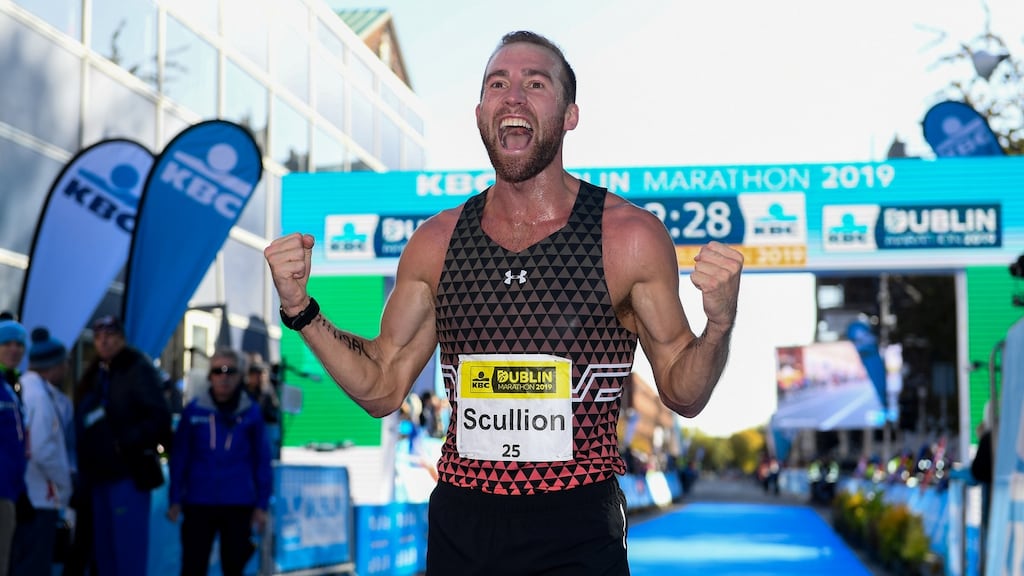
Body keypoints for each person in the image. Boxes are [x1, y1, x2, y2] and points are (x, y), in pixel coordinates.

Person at [264, 30, 743, 575]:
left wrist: (719, 324)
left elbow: (683, 393)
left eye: (535, 84)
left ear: (569, 115)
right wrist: (301, 309)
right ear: (479, 114)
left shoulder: (628, 237)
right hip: (463, 527)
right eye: (498, 84)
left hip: (577, 529)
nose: (513, 96)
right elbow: (382, 385)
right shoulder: (437, 241)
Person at [74, 315, 173, 576]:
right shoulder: (97, 372)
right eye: (98, 337)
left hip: (127, 474)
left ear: (122, 338)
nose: (104, 341)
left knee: (127, 554)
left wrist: (124, 443)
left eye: (110, 335)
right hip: (98, 476)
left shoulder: (137, 368)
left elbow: (159, 418)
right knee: (104, 554)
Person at [167, 348, 272, 576]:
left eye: (229, 371)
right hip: (198, 502)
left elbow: (262, 460)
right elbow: (180, 457)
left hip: (238, 503)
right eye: (218, 371)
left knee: (234, 568)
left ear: (240, 376)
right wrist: (175, 498)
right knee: (192, 567)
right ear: (210, 376)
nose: (224, 376)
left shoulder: (251, 413)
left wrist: (261, 505)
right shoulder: (194, 411)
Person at [10, 328, 74, 575]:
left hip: (26, 495)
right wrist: (65, 485)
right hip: (38, 497)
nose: (67, 368)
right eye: (65, 363)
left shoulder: (24, 390)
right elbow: (42, 449)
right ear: (53, 366)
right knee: (33, 566)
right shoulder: (39, 397)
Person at [0, 320, 28, 576]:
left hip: (9, 491)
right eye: (6, 343)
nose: (14, 349)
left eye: (19, 344)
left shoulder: (10, 387)